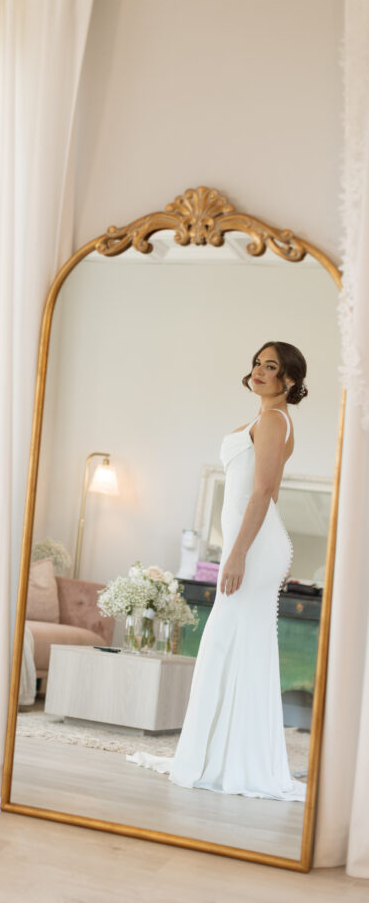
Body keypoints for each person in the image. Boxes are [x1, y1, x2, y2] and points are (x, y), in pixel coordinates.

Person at [128, 341, 308, 801]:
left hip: (254, 548)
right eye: (257, 363)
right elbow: (264, 491)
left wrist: (239, 553)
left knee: (230, 646)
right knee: (233, 648)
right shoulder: (267, 420)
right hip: (257, 545)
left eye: (272, 366)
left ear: (289, 381)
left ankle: (229, 760)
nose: (260, 371)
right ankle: (223, 756)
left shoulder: (272, 420)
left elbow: (264, 491)